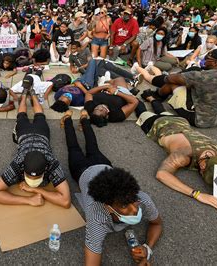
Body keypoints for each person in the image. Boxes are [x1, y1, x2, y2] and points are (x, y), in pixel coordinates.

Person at [60, 110, 162, 266]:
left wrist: (147, 248)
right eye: (124, 206)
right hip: (81, 170)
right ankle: (67, 119)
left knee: (92, 143)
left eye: (133, 200)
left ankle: (84, 119)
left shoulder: (141, 198)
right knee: (73, 147)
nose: (134, 210)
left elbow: (157, 223)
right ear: (107, 207)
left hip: (103, 163)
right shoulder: (97, 218)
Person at [134, 98, 217, 212]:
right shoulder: (184, 156)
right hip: (156, 124)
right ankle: (136, 99)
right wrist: (197, 194)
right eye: (202, 172)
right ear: (202, 165)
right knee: (141, 110)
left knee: (161, 110)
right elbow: (162, 174)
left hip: (179, 121)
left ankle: (151, 97)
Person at [0, 87, 71, 208]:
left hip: (29, 134)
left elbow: (66, 202)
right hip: (37, 134)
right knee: (36, 116)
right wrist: (28, 200)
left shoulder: (52, 163)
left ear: (45, 168)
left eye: (37, 177)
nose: (33, 181)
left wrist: (36, 191)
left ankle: (27, 94)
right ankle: (29, 94)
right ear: (23, 167)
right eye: (30, 176)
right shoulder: (18, 163)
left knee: (25, 116)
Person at [151, 49, 217, 128]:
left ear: (215, 63)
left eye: (207, 58)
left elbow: (171, 79)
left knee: (172, 84)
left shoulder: (203, 76)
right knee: (188, 85)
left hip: (200, 120)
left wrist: (165, 78)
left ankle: (157, 95)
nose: (204, 60)